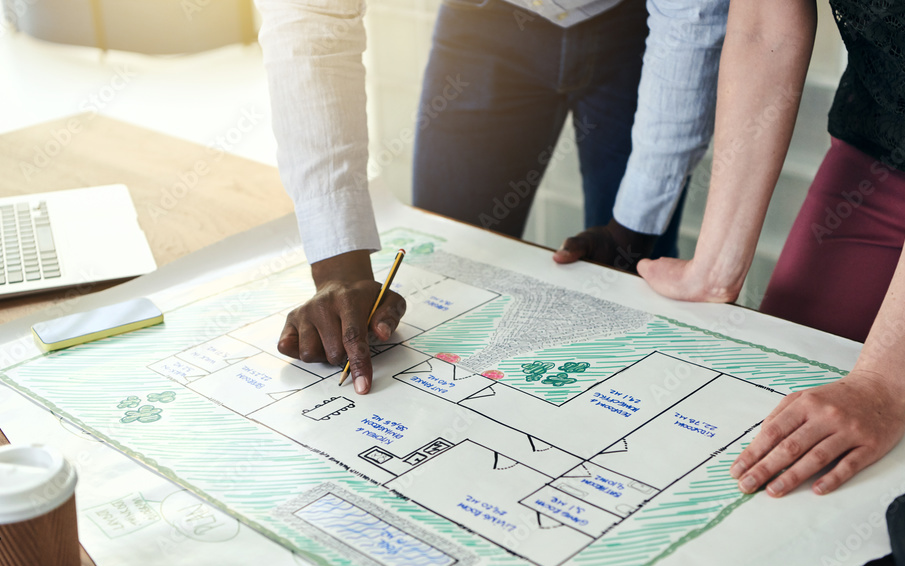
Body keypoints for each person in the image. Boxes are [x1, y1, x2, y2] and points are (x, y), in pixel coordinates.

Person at [255, 0, 729, 394]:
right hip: (485, 20)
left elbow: (693, 16)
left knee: (634, 280)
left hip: (647, 23)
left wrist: (636, 225)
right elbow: (309, 22)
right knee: (456, 278)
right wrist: (338, 266)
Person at [629, 0, 905, 497]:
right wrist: (716, 266)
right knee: (770, 405)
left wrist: (882, 385)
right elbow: (764, 25)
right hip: (878, 148)